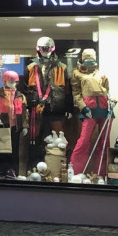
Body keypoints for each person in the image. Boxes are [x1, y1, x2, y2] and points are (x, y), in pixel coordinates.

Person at [23, 36, 71, 165]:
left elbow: (67, 90)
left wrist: (68, 108)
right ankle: (33, 166)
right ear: (38, 49)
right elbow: (24, 89)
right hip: (36, 107)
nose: (45, 51)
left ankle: (56, 167)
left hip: (56, 108)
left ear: (53, 48)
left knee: (58, 139)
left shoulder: (62, 67)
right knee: (34, 139)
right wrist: (26, 108)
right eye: (43, 48)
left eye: (47, 48)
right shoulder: (31, 67)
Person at [68, 49, 112, 181]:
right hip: (89, 109)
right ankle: (76, 172)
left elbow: (107, 91)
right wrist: (83, 107)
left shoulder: (101, 74)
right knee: (84, 141)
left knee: (104, 142)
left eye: (92, 59)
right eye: (87, 59)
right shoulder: (77, 74)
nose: (90, 62)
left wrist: (110, 103)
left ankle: (101, 173)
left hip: (105, 108)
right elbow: (76, 93)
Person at [0, 69, 28, 178]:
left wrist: (24, 125)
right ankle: (2, 172)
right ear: (5, 81)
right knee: (2, 150)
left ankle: (13, 171)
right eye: (10, 81)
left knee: (14, 150)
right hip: (3, 126)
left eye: (14, 82)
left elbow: (24, 112)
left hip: (15, 127)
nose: (12, 84)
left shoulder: (20, 96)